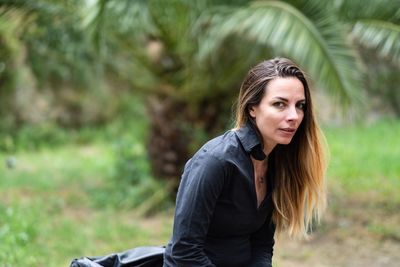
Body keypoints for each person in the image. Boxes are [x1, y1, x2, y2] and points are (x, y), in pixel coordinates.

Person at [163, 57, 327, 267]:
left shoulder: (276, 162)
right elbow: (184, 251)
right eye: (280, 104)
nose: (294, 116)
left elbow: (261, 244)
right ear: (252, 108)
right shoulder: (215, 160)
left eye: (300, 105)